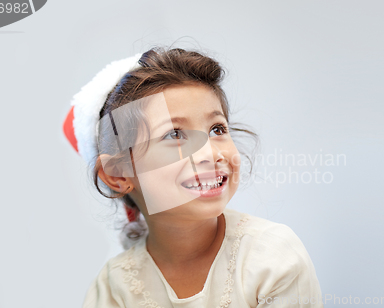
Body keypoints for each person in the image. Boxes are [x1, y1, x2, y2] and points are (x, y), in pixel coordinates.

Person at [63, 47, 324, 307]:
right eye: (174, 135)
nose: (210, 153)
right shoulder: (113, 286)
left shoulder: (271, 257)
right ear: (117, 175)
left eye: (217, 128)